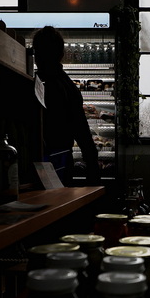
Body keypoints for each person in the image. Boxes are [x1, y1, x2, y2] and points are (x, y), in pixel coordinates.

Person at [32, 25, 101, 186]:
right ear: (61, 54)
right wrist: (93, 169)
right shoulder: (68, 87)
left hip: (32, 163)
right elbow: (82, 131)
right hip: (62, 161)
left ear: (36, 54)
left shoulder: (28, 84)